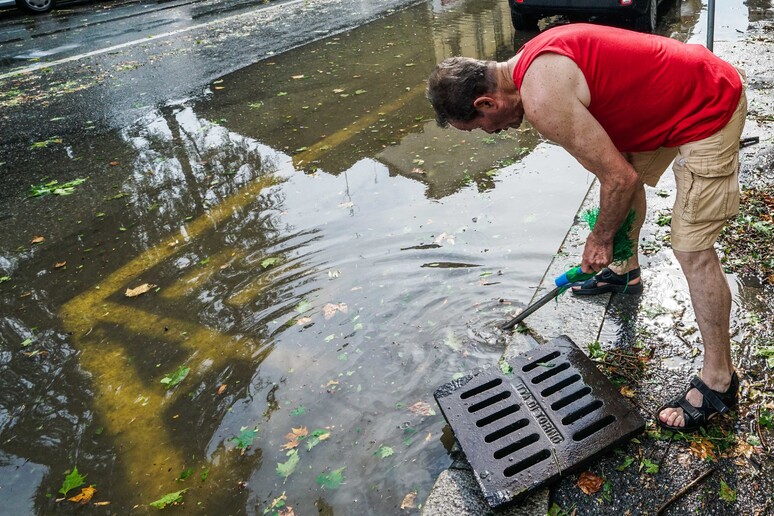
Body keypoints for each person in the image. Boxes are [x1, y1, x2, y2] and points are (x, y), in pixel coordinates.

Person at [426, 23, 747, 433]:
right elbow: (617, 171)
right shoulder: (531, 60)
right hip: (674, 94)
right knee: (624, 168)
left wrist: (600, 239)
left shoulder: (541, 100)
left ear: (486, 102)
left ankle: (720, 379)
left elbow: (619, 182)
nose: (492, 133)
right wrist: (611, 242)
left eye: (480, 128)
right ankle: (624, 271)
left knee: (692, 248)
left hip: (709, 102)